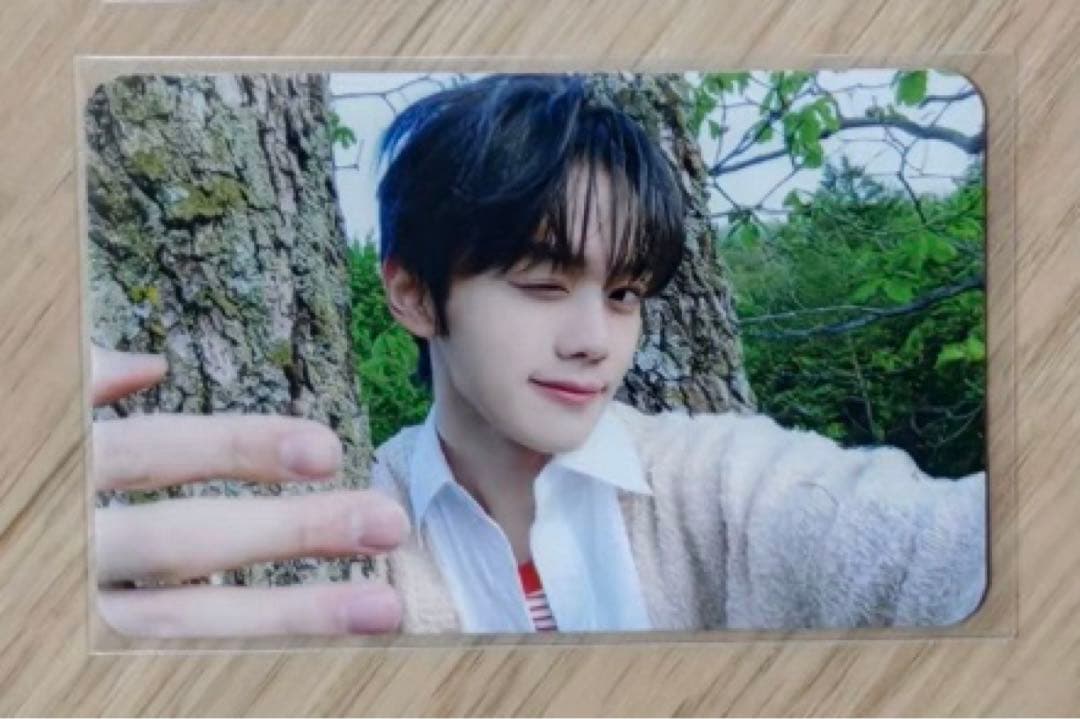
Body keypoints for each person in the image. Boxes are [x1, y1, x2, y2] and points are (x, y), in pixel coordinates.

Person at [93, 74, 986, 638]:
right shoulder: (349, 540)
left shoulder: (720, 486)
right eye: (543, 282)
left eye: (624, 293)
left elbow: (941, 545)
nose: (595, 339)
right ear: (413, 293)